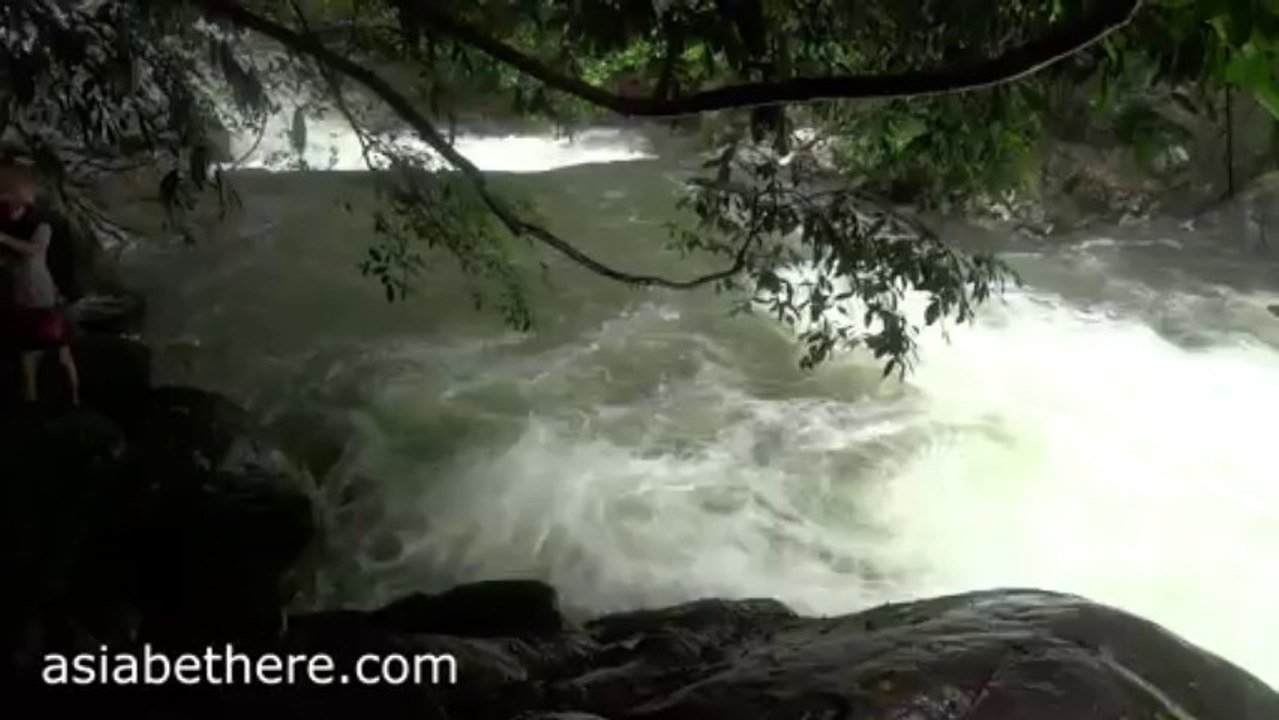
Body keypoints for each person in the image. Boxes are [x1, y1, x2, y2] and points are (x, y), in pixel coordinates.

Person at [0, 165, 79, 405]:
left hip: (43, 294)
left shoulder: (43, 221)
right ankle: (32, 406)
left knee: (61, 352)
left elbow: (35, 251)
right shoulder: (12, 218)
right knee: (27, 358)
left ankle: (74, 399)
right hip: (22, 295)